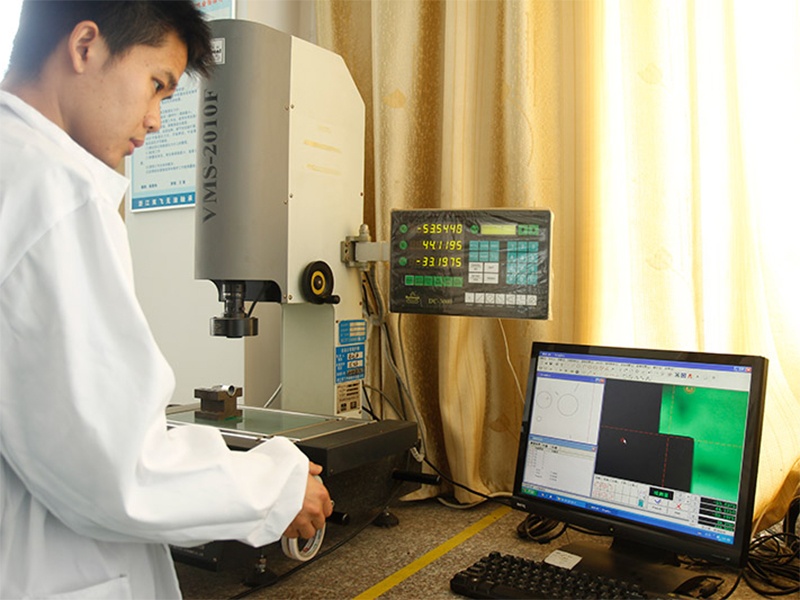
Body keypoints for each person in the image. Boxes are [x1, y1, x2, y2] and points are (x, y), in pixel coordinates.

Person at [0, 2, 332, 598]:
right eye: (157, 85)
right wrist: (278, 486)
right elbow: (116, 467)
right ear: (84, 46)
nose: (156, 121)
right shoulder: (56, 193)